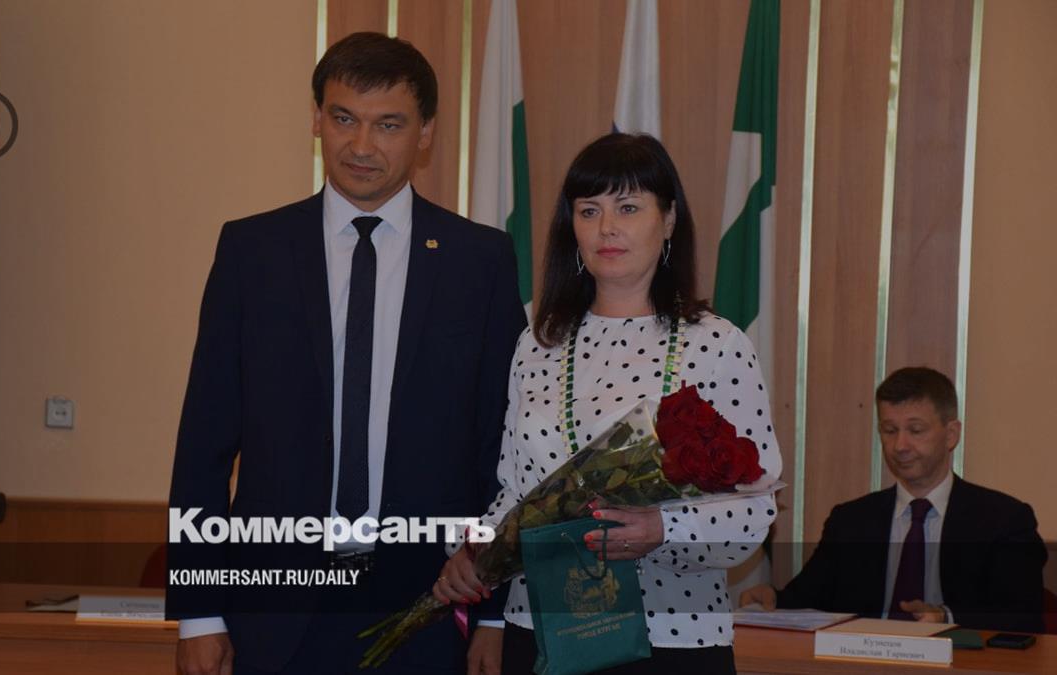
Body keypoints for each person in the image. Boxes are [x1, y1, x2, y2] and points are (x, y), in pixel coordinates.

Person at [167, 32, 526, 675]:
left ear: (425, 133)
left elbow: (498, 451)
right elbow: (204, 443)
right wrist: (199, 613)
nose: (361, 146)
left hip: (430, 608)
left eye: (388, 125)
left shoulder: (480, 262)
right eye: (343, 119)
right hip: (275, 610)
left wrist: (493, 614)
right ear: (316, 119)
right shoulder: (252, 253)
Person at [435, 132, 783, 674]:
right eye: (589, 211)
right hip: (544, 630)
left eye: (628, 208)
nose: (606, 228)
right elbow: (516, 491)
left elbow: (754, 510)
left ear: (669, 220)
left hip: (671, 639)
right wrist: (476, 551)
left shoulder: (716, 344)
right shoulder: (537, 344)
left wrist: (663, 530)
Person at [739, 367, 1047, 633]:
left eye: (915, 430)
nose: (900, 445)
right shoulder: (850, 521)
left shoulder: (1003, 520)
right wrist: (772, 598)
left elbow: (1025, 616)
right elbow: (808, 598)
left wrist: (945, 617)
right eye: (889, 430)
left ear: (951, 434)